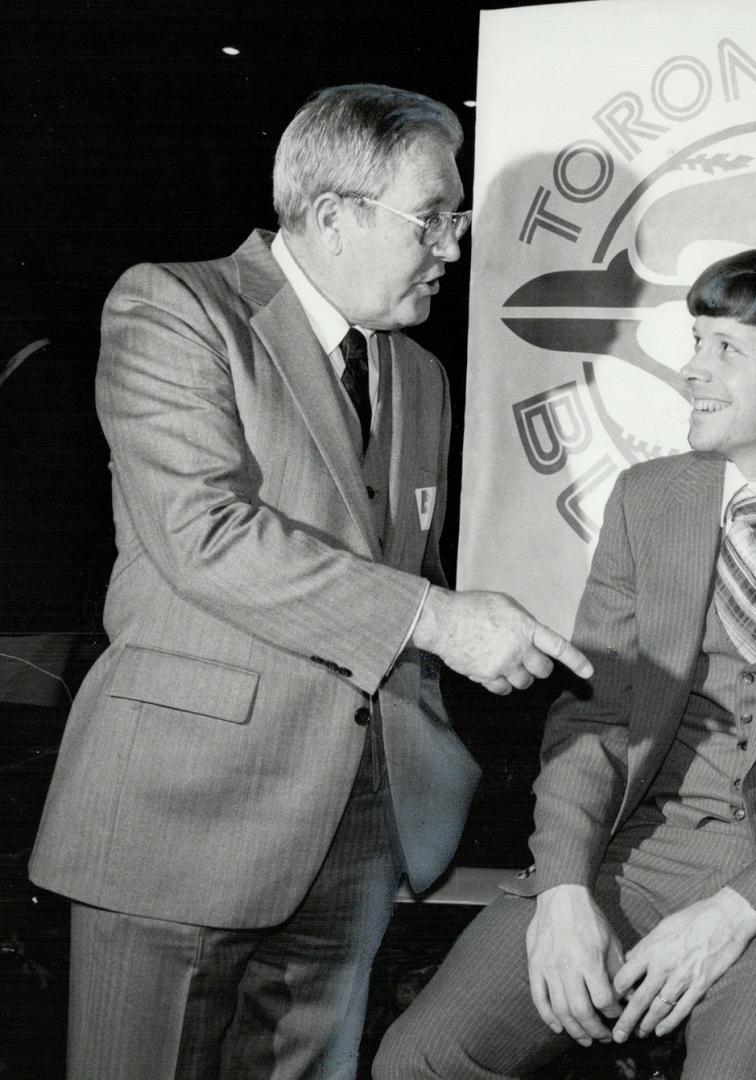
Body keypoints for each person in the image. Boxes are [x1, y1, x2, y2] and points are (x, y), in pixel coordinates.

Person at [29, 83, 592, 1080]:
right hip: (177, 821)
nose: (454, 245)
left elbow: (397, 561)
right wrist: (441, 620)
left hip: (359, 831)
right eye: (436, 217)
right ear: (334, 215)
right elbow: (204, 534)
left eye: (458, 219)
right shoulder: (174, 306)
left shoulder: (419, 374)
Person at [373, 248, 756, 1080]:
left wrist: (736, 910)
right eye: (696, 342)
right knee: (420, 1061)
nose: (692, 370)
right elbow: (596, 720)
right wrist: (563, 889)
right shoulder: (649, 500)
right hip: (641, 857)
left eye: (727, 349)